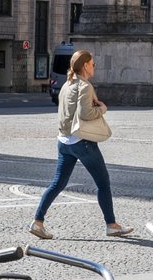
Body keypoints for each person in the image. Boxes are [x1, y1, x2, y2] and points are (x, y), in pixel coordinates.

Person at [29, 48, 132, 241]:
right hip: (82, 141)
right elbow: (86, 114)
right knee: (103, 183)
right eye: (92, 64)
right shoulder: (85, 86)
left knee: (57, 183)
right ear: (85, 65)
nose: (94, 67)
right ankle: (111, 225)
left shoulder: (67, 84)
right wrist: (102, 108)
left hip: (64, 141)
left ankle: (38, 221)